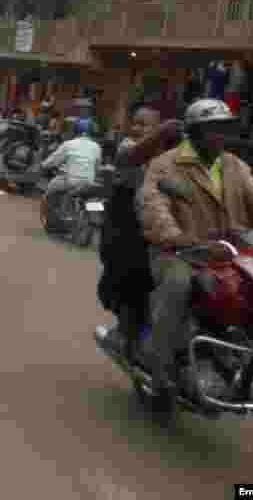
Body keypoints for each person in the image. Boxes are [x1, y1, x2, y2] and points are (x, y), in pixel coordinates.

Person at [140, 98, 253, 428]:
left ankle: (244, 359)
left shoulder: (233, 166)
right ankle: (161, 380)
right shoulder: (165, 165)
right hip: (180, 252)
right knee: (176, 286)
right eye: (210, 130)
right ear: (193, 132)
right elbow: (153, 207)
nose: (219, 137)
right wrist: (180, 239)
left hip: (230, 254)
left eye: (223, 129)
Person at [97, 102, 181, 360]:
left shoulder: (173, 158)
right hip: (125, 232)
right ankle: (125, 334)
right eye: (135, 122)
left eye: (144, 124)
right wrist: (163, 131)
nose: (136, 127)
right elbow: (133, 156)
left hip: (157, 232)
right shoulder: (128, 148)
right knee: (127, 280)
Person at [41, 118, 103, 224]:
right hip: (89, 183)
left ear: (75, 131)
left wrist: (43, 165)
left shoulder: (68, 144)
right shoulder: (97, 147)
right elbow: (97, 167)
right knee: (95, 198)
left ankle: (54, 218)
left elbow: (52, 161)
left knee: (50, 189)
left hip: (71, 181)